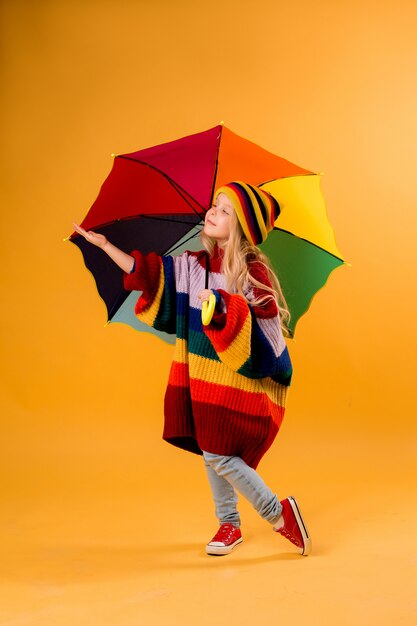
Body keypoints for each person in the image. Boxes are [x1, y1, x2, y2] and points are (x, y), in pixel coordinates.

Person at [73, 181, 312, 557]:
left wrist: (220, 304)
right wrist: (106, 248)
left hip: (238, 383)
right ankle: (229, 525)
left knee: (218, 454)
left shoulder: (252, 274)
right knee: (210, 449)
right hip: (203, 377)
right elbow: (150, 274)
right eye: (214, 205)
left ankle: (278, 515)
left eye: (223, 209)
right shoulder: (193, 266)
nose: (211, 212)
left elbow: (264, 329)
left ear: (241, 228)